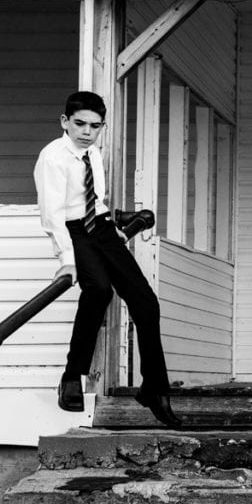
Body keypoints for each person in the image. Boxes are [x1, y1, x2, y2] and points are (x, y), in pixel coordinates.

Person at [34, 91, 181, 428]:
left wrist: (114, 224)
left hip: (100, 228)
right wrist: (66, 258)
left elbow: (95, 200)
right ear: (65, 122)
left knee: (146, 302)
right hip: (73, 231)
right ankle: (73, 376)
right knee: (99, 291)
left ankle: (155, 387)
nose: (87, 131)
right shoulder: (52, 158)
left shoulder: (93, 153)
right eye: (80, 124)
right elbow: (52, 216)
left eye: (95, 126)